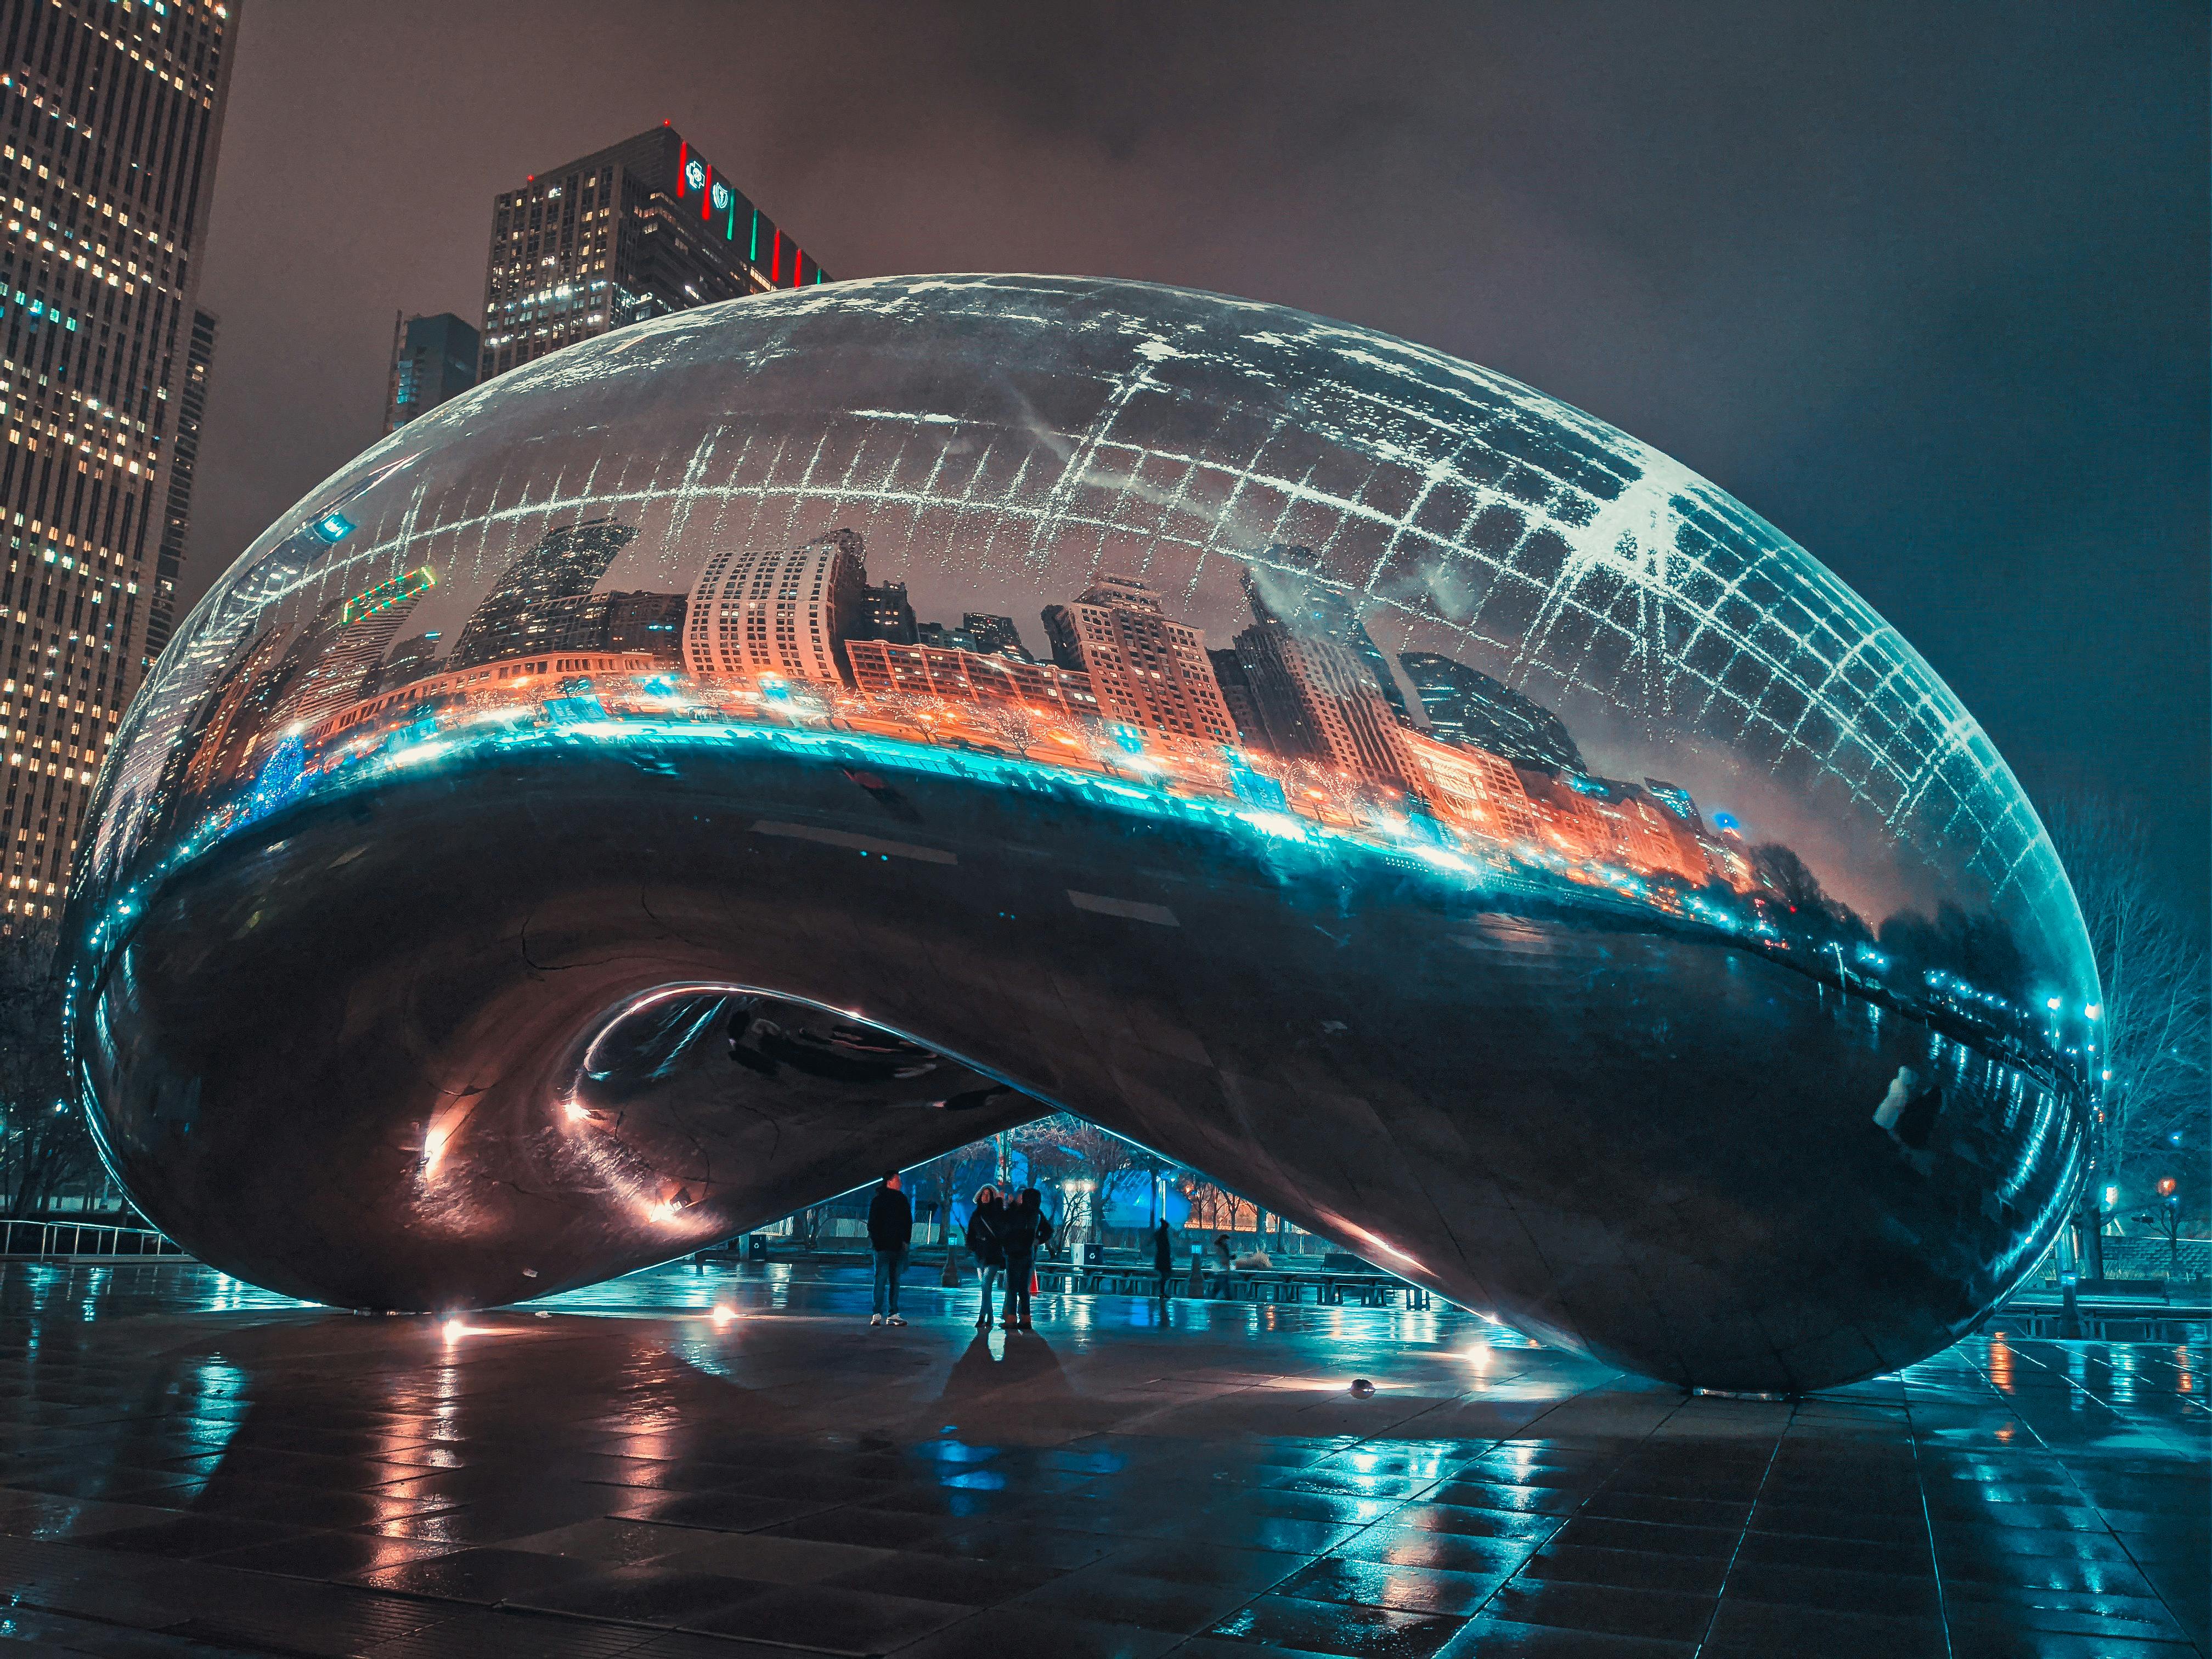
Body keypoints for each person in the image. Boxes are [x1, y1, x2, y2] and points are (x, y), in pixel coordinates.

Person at [867, 1170, 912, 1327]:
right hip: (890, 1247)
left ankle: (880, 1314)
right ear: (890, 1182)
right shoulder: (898, 1200)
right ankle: (888, 1313)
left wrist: (877, 1243)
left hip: (888, 1247)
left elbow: (873, 1224)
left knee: (884, 1280)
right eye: (898, 1180)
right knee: (890, 1280)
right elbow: (907, 1222)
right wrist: (905, 1241)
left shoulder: (880, 1200)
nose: (901, 1183)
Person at [1001, 1187, 1043, 1331]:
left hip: (1016, 1254)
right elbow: (1047, 1231)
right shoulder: (1036, 1214)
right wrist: (1037, 1240)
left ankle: (1012, 1319)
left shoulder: (1018, 1213)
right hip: (1026, 1254)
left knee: (1014, 1288)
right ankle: (1025, 1319)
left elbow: (1008, 1230)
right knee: (1023, 1289)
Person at [967, 1184, 1006, 1329]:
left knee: (986, 1284)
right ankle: (990, 1316)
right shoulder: (976, 1214)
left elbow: (1001, 1226)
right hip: (980, 1254)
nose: (985, 1197)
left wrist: (1000, 1203)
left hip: (993, 1253)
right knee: (985, 1287)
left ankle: (982, 1317)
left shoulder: (996, 1212)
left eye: (988, 1194)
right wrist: (973, 1247)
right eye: (983, 1194)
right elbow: (971, 1233)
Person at [1152, 1218, 1175, 1304]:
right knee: (1166, 1275)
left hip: (1161, 1258)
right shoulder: (1163, 1234)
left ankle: (1161, 1291)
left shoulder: (1159, 1234)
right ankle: (1161, 1291)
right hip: (1164, 1259)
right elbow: (1166, 1247)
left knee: (1164, 1275)